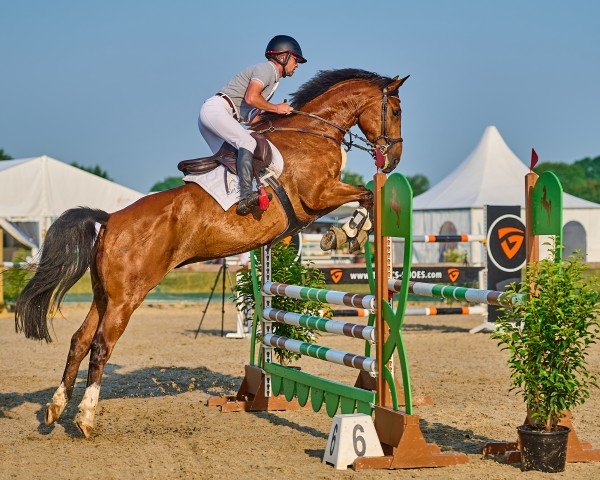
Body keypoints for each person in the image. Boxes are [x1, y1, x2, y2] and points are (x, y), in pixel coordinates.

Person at [198, 35, 307, 215]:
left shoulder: (273, 80)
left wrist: (278, 118)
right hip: (217, 110)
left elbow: (251, 119)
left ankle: (224, 202)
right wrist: (277, 108)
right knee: (248, 143)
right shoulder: (268, 69)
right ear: (283, 56)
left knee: (230, 161)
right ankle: (246, 196)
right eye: (296, 60)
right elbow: (251, 98)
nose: (297, 65)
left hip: (220, 115)